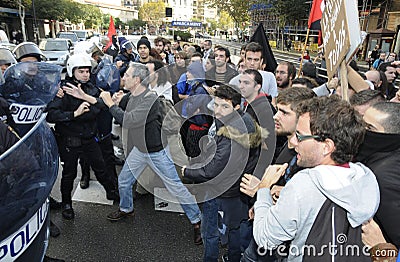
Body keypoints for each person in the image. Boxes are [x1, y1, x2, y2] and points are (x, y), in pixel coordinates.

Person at [243, 96, 380, 261]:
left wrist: (263, 188)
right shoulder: (365, 176)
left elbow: (265, 239)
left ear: (326, 146)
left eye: (300, 136)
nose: (293, 142)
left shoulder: (303, 184)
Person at [100, 62, 202, 245]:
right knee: (124, 181)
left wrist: (110, 103)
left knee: (176, 188)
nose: (123, 78)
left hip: (156, 152)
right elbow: (108, 104)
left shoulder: (151, 100)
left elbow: (128, 120)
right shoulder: (131, 96)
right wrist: (86, 96)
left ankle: (197, 221)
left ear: (137, 80)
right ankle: (126, 209)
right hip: (139, 151)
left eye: (127, 75)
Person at [183, 84, 262, 261]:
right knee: (234, 228)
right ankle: (233, 257)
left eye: (224, 106)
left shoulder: (230, 133)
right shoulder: (245, 121)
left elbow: (213, 168)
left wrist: (188, 171)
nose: (217, 110)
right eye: (216, 104)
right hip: (236, 188)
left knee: (209, 231)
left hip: (220, 188)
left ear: (236, 107)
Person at [46, 54, 119, 220]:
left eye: (87, 71)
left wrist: (86, 101)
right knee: (69, 174)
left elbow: (101, 106)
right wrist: (74, 113)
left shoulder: (91, 88)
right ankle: (66, 204)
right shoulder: (62, 90)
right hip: (70, 141)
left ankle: (112, 192)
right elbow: (51, 115)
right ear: (72, 71)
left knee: (101, 168)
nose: (85, 74)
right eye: (81, 71)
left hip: (89, 139)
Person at [357, 102, 400, 248]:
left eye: (369, 128)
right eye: (362, 124)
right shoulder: (382, 157)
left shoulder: (383, 178)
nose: (362, 130)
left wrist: (380, 248)